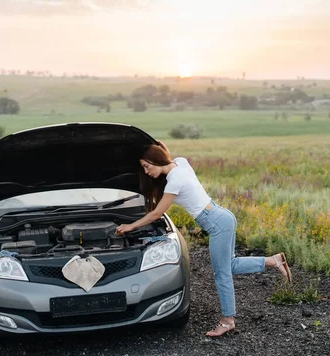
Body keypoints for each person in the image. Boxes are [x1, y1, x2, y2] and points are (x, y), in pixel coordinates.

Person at [116, 141, 292, 338]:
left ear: (154, 160)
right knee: (230, 265)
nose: (146, 172)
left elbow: (157, 214)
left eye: (147, 166)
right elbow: (167, 154)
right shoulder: (181, 163)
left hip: (216, 223)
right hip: (222, 216)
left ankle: (227, 321)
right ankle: (274, 261)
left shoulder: (174, 181)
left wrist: (130, 226)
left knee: (221, 274)